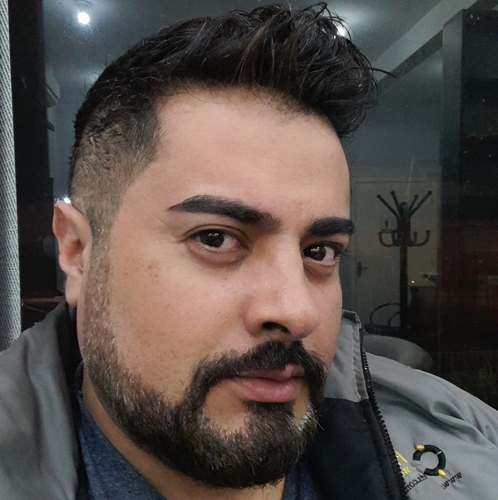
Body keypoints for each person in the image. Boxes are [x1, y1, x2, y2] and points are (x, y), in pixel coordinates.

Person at [1, 4, 497, 500]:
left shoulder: (466, 435)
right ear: (78, 253)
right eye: (215, 238)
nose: (297, 312)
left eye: (319, 251)